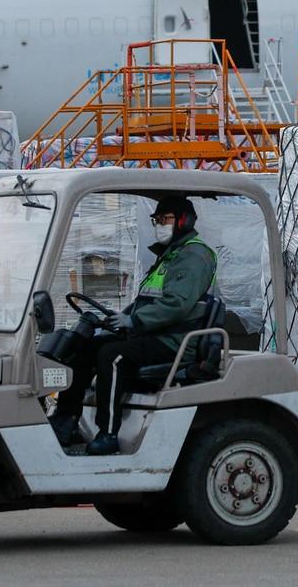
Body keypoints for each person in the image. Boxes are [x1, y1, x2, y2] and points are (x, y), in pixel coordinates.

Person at [49, 194, 216, 455]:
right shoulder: (170, 255)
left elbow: (177, 304)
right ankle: (66, 420)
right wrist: (120, 318)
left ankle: (108, 434)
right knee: (83, 347)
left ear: (184, 221)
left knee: (112, 356)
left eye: (165, 219)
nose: (159, 225)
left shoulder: (194, 255)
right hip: (152, 333)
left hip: (173, 340)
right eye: (156, 220)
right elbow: (146, 300)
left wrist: (134, 321)